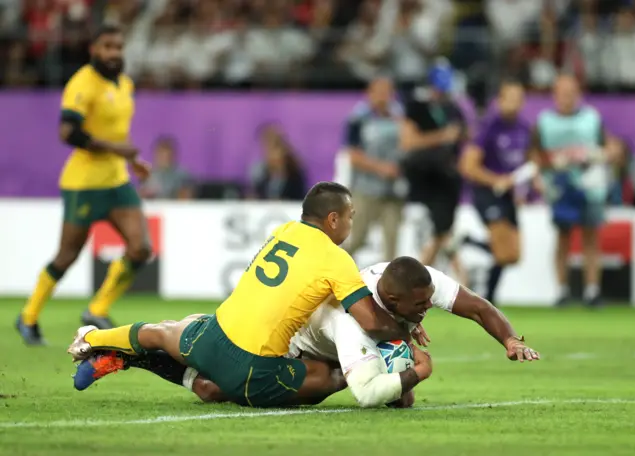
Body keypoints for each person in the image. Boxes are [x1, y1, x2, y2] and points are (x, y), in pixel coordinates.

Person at [67, 182, 414, 408]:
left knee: (166, 330)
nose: (353, 225)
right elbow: (370, 321)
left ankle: (93, 339)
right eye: (351, 218)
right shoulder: (336, 258)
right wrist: (406, 330)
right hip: (254, 369)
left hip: (212, 336)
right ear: (333, 219)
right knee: (331, 374)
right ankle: (187, 379)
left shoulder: (284, 231)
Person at [73, 257, 539, 409]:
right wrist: (417, 372)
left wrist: (511, 339)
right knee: (208, 372)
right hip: (298, 348)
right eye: (418, 309)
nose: (426, 311)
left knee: (212, 391)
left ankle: (127, 357)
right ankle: (112, 344)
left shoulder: (416, 283)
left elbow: (477, 306)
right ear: (390, 302)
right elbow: (368, 393)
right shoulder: (351, 316)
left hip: (345, 346)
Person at [17, 24, 152, 345]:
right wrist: (118, 150)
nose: (114, 53)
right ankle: (28, 317)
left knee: (141, 248)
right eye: (107, 47)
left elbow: (118, 133)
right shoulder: (82, 83)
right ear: (94, 49)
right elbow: (68, 132)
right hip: (84, 184)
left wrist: (132, 161)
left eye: (118, 47)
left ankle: (96, 309)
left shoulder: (124, 84)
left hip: (117, 180)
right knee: (67, 255)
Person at [530, 74, 622, 307]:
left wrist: (602, 154)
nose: (566, 98)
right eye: (562, 93)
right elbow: (535, 153)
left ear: (578, 94)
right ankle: (562, 290)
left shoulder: (591, 118)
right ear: (555, 95)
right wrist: (549, 164)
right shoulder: (545, 121)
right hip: (559, 188)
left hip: (590, 186)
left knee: (591, 236)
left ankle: (592, 291)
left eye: (571, 93)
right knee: (563, 238)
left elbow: (609, 146)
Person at [459, 80, 532, 305]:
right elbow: (467, 166)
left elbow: (525, 163)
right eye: (509, 98)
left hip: (508, 195)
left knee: (514, 255)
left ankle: (469, 242)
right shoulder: (487, 127)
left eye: (519, 99)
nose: (514, 104)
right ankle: (489, 298)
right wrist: (496, 180)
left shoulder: (523, 128)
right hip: (487, 193)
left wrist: (523, 187)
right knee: (502, 252)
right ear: (498, 101)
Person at [399, 58, 467, 269]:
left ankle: (429, 276)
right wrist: (442, 136)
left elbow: (463, 139)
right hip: (422, 180)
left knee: (443, 234)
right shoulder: (416, 106)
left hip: (446, 180)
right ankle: (420, 275)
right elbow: (408, 142)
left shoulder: (454, 109)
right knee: (436, 235)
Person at [344, 77, 406, 262]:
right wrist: (381, 168)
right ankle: (329, 278)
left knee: (392, 241)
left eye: (387, 92)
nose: (383, 97)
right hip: (366, 189)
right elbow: (353, 156)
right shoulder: (359, 118)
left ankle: (390, 287)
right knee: (357, 238)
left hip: (394, 190)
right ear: (369, 93)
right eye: (379, 91)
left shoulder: (400, 116)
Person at [249, 124, 307, 201]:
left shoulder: (295, 175)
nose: (269, 154)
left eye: (274, 149)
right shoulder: (261, 174)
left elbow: (299, 200)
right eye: (267, 149)